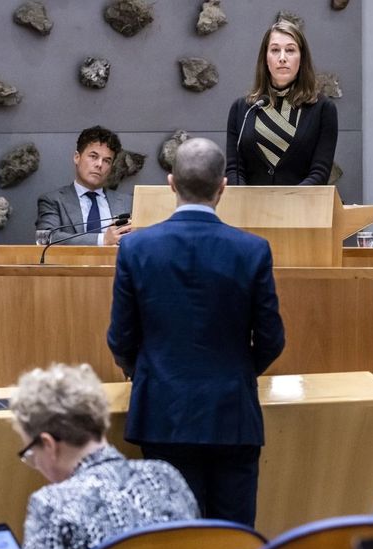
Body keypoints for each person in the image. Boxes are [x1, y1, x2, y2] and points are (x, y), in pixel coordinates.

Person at [107, 137, 285, 527]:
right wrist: (238, 372)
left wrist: (146, 372)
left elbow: (120, 338)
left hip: (162, 413)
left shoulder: (136, 248)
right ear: (223, 186)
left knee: (169, 543)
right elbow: (272, 339)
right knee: (233, 541)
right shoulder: (253, 250)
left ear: (171, 184)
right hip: (232, 415)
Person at [8, 363, 198, 549]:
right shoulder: (167, 477)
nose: (34, 463)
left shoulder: (52, 503)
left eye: (31, 454)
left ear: (49, 444)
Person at [225, 20, 338, 186]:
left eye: (290, 50)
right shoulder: (242, 108)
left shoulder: (323, 109)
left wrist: (285, 202)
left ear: (302, 58)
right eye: (275, 50)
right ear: (265, 58)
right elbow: (234, 169)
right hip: (250, 209)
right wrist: (246, 203)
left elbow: (320, 172)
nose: (282, 58)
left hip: (301, 208)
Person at [36, 126, 133, 246]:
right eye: (93, 156)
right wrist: (103, 240)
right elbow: (45, 239)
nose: (99, 164)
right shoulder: (53, 200)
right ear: (77, 157)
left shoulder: (128, 202)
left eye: (107, 161)